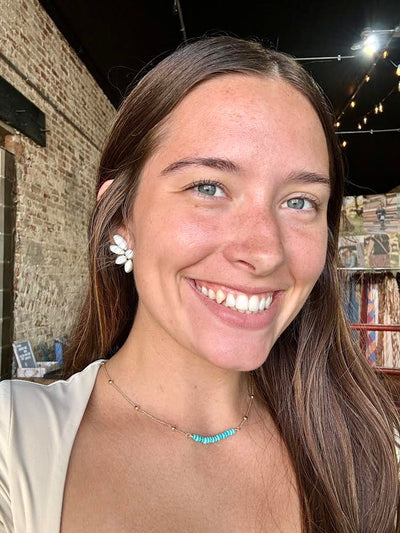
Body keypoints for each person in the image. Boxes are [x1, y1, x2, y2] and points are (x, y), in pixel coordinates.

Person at [1, 36, 399, 532]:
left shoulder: (373, 449)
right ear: (121, 216)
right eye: (208, 187)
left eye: (300, 201)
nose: (265, 251)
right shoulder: (13, 442)